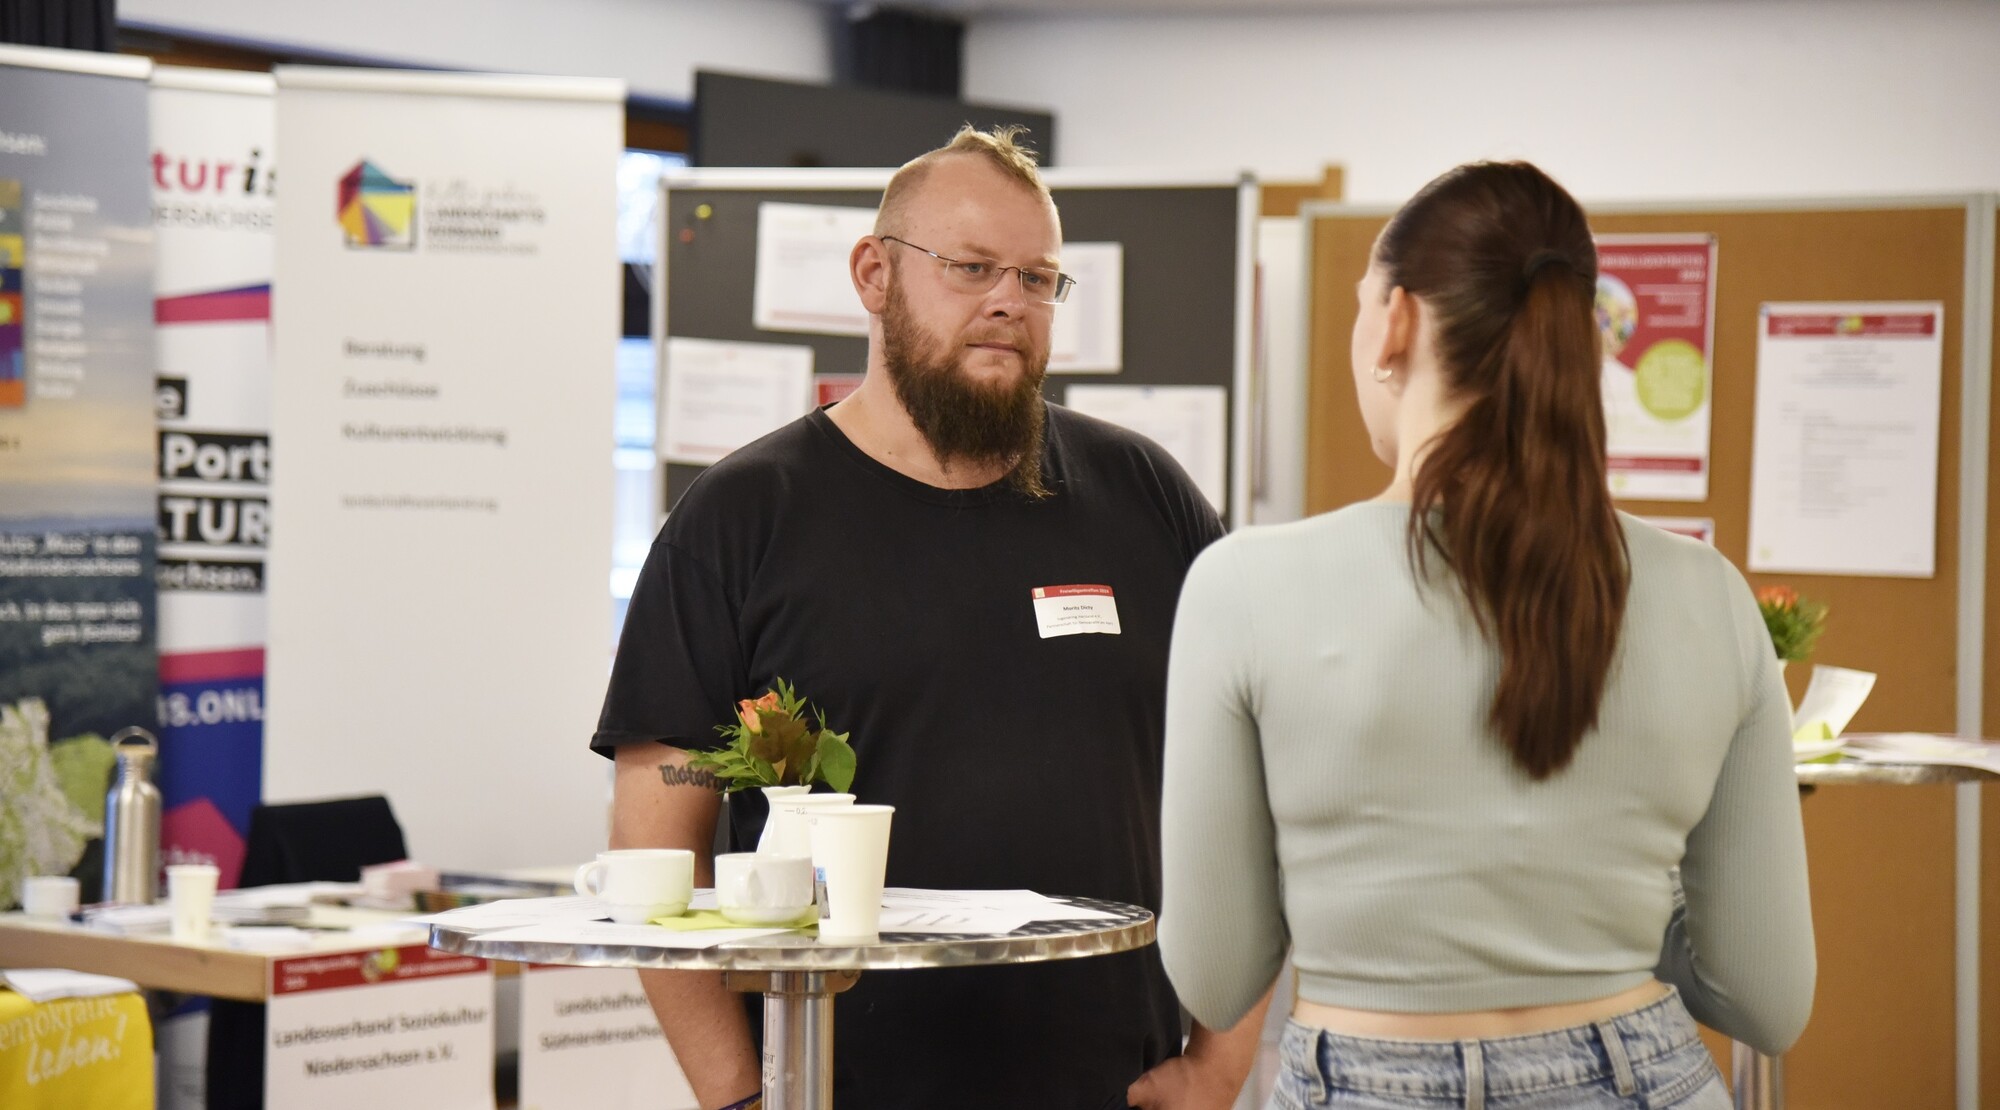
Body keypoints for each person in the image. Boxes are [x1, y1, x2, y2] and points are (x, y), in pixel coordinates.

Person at [593, 126, 1270, 1110]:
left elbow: (1245, 786)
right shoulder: (740, 521)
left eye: (1038, 279)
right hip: (837, 1083)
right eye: (970, 267)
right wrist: (741, 1095)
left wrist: (1220, 1064)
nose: (1009, 300)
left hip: (1110, 1085)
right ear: (873, 274)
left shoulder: (1145, 496)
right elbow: (658, 847)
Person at [1156, 161, 1814, 1108]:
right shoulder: (1710, 596)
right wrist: (1610, 901)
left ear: (1395, 322)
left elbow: (1216, 976)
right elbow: (1767, 996)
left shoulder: (1243, 587)